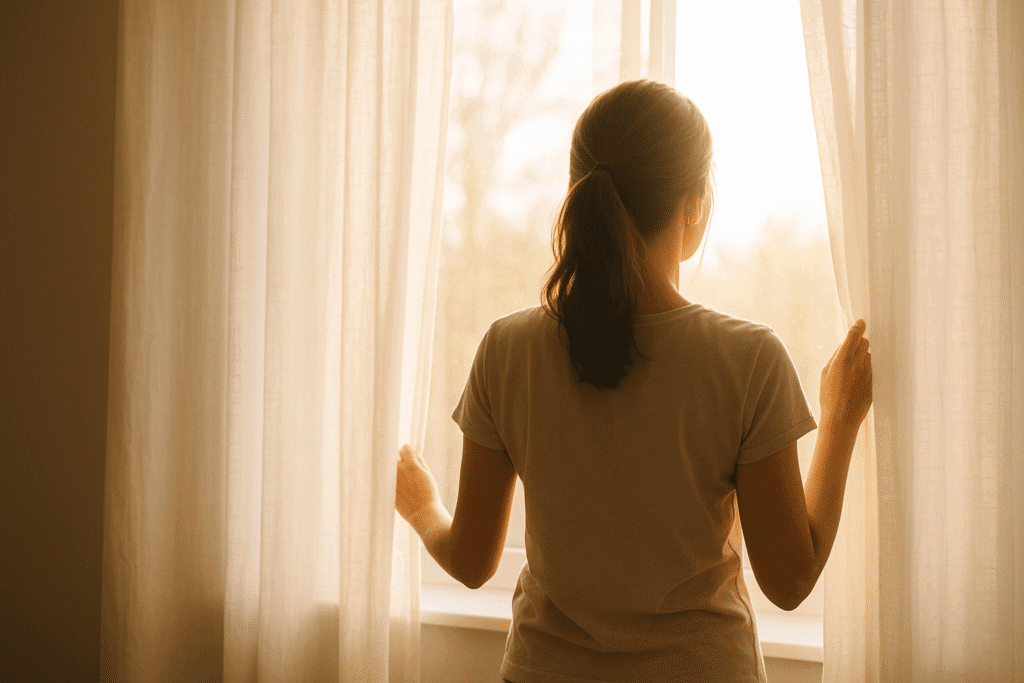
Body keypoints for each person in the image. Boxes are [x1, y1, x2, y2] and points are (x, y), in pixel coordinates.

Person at [396, 78, 873, 683]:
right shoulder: (747, 359)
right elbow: (789, 581)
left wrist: (421, 507)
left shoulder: (506, 349)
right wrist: (839, 419)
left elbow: (469, 561)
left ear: (576, 194)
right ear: (695, 206)